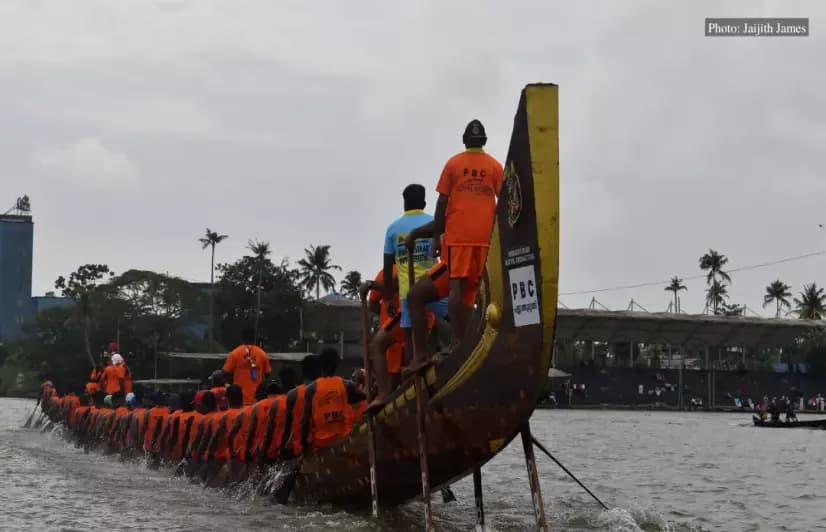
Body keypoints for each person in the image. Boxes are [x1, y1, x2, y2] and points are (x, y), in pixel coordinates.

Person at [406, 120, 503, 372]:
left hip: (460, 238)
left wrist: (438, 233)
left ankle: (457, 345)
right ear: (484, 141)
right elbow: (506, 203)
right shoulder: (494, 166)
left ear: (464, 140)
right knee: (476, 293)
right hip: (486, 242)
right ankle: (475, 343)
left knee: (455, 284)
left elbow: (441, 204)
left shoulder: (453, 164)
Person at [300, 349, 366, 452]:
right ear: (337, 365)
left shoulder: (311, 389)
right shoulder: (346, 385)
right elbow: (364, 397)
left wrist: (304, 446)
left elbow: (304, 421)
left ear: (320, 365)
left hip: (321, 444)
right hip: (343, 440)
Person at [279, 355, 322, 459]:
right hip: (325, 445)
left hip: (301, 449)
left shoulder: (293, 394)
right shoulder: (328, 389)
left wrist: (282, 448)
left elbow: (287, 427)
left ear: (302, 372)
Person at [223, 328, 272, 406]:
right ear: (254, 338)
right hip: (257, 401)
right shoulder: (262, 354)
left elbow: (225, 372)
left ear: (242, 338)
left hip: (238, 401)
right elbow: (268, 374)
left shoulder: (234, 353)